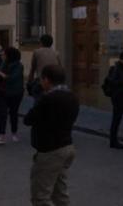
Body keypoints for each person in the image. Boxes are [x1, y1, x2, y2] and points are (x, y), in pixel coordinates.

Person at [24, 64, 80, 206]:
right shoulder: (72, 97)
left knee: (40, 197)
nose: (41, 83)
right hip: (67, 146)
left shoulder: (47, 99)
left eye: (42, 80)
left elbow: (28, 119)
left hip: (50, 150)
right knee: (60, 193)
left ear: (47, 80)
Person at [0, 46, 26, 145]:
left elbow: (12, 78)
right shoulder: (4, 63)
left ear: (9, 55)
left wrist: (0, 74)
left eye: (4, 53)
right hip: (2, 92)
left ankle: (14, 132)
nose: (2, 55)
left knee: (13, 113)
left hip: (15, 93)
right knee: (2, 114)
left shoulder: (19, 66)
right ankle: (1, 135)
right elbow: (0, 75)